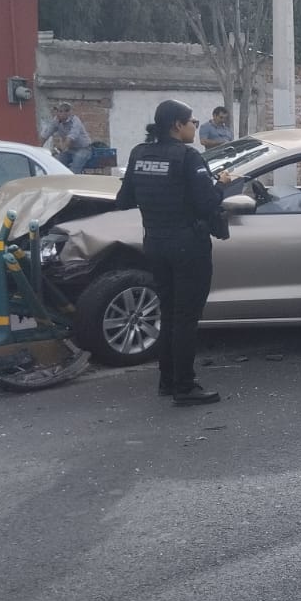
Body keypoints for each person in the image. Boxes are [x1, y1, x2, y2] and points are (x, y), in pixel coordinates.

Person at [115, 99, 228, 406]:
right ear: (177, 125)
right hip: (189, 246)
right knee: (186, 317)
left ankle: (168, 380)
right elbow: (208, 203)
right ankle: (185, 386)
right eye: (192, 122)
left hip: (155, 243)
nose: (194, 126)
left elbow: (123, 200)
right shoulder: (188, 157)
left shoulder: (139, 154)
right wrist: (221, 185)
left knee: (168, 313)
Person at [41, 102, 92, 173]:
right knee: (57, 165)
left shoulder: (75, 121)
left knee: (73, 170)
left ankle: (72, 182)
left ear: (67, 113)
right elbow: (46, 134)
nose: (58, 114)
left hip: (83, 149)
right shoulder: (56, 120)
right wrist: (37, 149)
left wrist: (58, 149)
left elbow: (70, 138)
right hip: (69, 149)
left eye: (61, 111)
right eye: (58, 111)